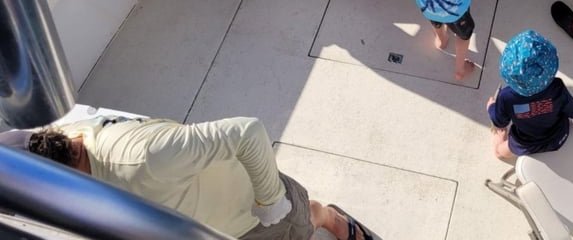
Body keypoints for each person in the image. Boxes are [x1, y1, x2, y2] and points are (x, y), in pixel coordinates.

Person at [0, 116, 373, 240]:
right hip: (209, 226)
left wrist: (271, 202)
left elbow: (247, 132)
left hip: (250, 217)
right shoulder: (63, 138)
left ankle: (332, 219)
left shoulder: (142, 157)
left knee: (304, 217)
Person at [487, 30, 573, 160]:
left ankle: (498, 142)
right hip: (559, 135)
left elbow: (499, 121)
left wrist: (491, 107)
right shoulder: (557, 86)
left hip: (526, 143)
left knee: (499, 153)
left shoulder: (506, 97)